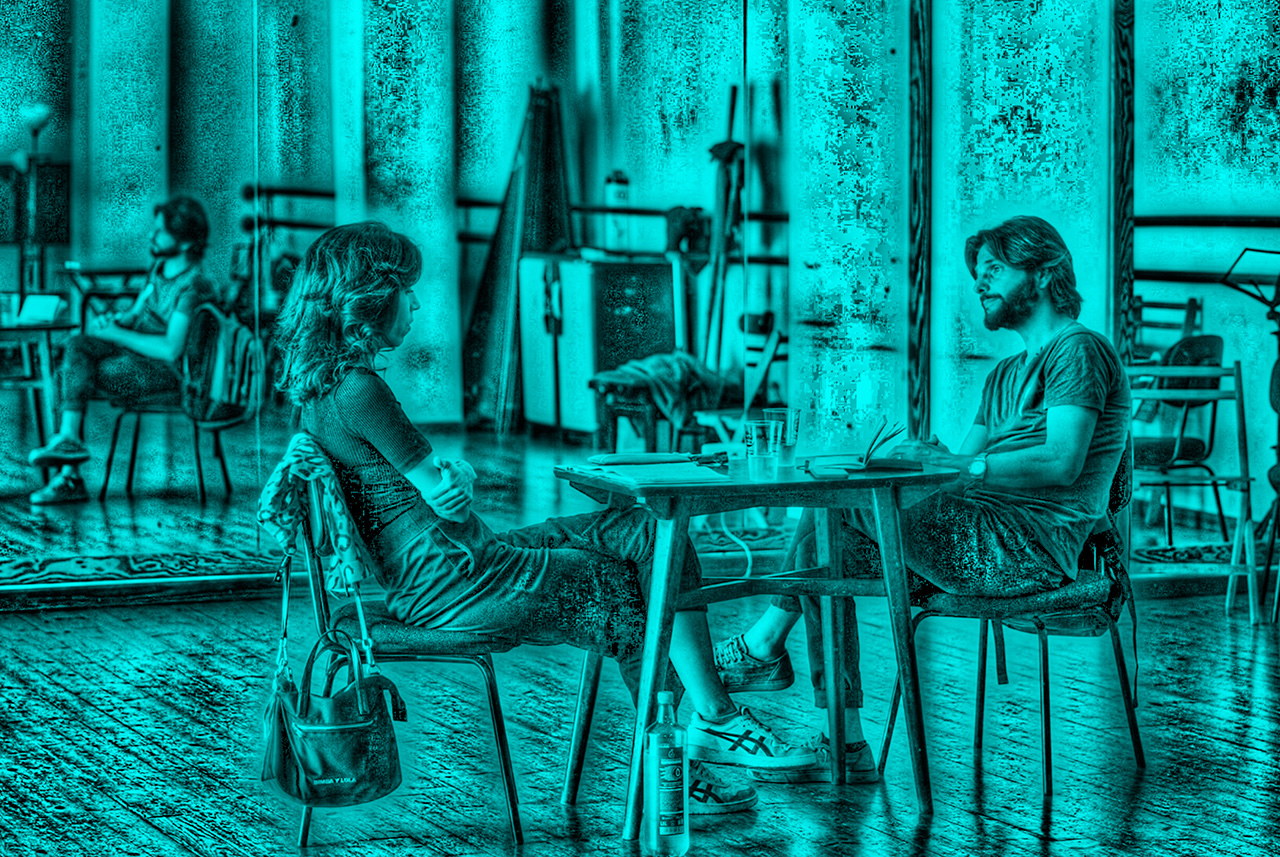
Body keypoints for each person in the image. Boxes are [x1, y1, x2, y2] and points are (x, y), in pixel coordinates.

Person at [272, 221, 817, 815]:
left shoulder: (320, 393)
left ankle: (708, 723)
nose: (417, 303)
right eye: (407, 290)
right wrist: (459, 476)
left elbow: (432, 494)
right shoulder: (360, 390)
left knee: (650, 529)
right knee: (633, 588)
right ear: (370, 298)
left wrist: (450, 481)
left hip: (451, 566)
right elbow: (448, 497)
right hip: (457, 583)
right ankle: (691, 743)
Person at [713, 215, 1131, 784]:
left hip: (1028, 548)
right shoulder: (1004, 374)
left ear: (1043, 272)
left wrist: (957, 467)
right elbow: (960, 473)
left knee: (837, 507)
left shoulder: (1077, 350)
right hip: (984, 532)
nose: (980, 283)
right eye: (979, 272)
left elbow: (1062, 460)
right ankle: (845, 741)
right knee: (826, 548)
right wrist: (924, 461)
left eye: (995, 270)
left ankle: (763, 646)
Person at [27, 195, 216, 504]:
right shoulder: (160, 269)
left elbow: (171, 350)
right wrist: (116, 321)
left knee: (70, 374)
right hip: (136, 359)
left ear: (184, 242)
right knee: (76, 345)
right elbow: (137, 312)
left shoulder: (194, 287)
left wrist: (118, 333)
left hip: (167, 374)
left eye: (160, 231)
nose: (152, 235)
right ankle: (68, 440)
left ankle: (69, 475)